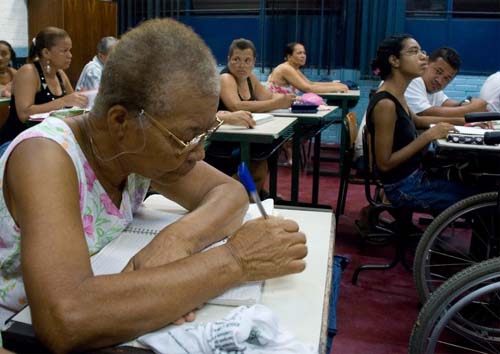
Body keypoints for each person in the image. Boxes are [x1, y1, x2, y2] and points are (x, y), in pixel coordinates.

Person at [0, 18, 307, 353]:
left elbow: (229, 193)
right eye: (188, 136)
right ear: (121, 121)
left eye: (206, 132)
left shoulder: (133, 149)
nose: (199, 151)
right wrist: (235, 260)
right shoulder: (45, 156)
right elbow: (65, 319)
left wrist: (178, 239)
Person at [366, 34, 474, 212]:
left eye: (421, 51)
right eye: (413, 52)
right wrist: (429, 136)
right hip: (402, 187)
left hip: (413, 177)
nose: (423, 56)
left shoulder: (397, 94)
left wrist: (465, 122)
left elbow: (419, 120)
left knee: (473, 186)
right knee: (475, 198)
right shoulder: (386, 103)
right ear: (394, 60)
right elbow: (384, 164)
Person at [354, 46, 486, 170]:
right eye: (414, 52)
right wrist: (470, 111)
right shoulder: (404, 85)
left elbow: (421, 118)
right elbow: (425, 115)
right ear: (395, 60)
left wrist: (467, 114)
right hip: (376, 158)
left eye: (447, 79)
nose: (440, 81)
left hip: (395, 160)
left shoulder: (419, 87)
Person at [207, 38, 296, 195]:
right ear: (228, 60)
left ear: (254, 62)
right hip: (224, 142)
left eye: (247, 60)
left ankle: (258, 193)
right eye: (236, 60)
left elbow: (268, 97)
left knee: (272, 145)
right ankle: (246, 195)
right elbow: (236, 105)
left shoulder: (251, 78)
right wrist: (277, 104)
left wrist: (290, 99)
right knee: (261, 152)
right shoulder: (226, 78)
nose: (242, 65)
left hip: (247, 135)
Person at [0, 27, 87, 153]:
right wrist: (63, 102)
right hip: (16, 141)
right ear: (46, 53)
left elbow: (73, 104)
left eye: (70, 50)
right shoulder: (28, 72)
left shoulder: (60, 74)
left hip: (48, 139)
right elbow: (24, 114)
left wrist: (84, 98)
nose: (70, 55)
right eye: (65, 51)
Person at [405, 47, 487, 117]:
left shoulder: (433, 89)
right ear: (427, 63)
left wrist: (466, 104)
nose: (439, 81)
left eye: (447, 78)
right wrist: (471, 109)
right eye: (438, 71)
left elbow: (447, 103)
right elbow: (426, 113)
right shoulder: (414, 80)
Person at [267, 42, 349, 95]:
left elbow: (310, 83)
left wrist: (336, 85)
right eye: (299, 53)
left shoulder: (294, 69)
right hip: (277, 110)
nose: (303, 56)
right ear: (289, 57)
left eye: (304, 53)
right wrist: (336, 88)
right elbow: (307, 89)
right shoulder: (285, 68)